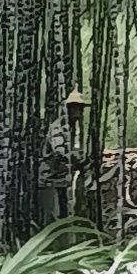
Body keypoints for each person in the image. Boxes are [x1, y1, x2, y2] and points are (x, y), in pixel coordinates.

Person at [43, 90, 102, 227]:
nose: (78, 112)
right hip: (53, 177)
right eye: (76, 108)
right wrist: (79, 158)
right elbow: (60, 151)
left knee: (67, 210)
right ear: (69, 108)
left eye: (80, 109)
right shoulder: (58, 127)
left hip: (64, 178)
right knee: (56, 214)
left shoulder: (74, 128)